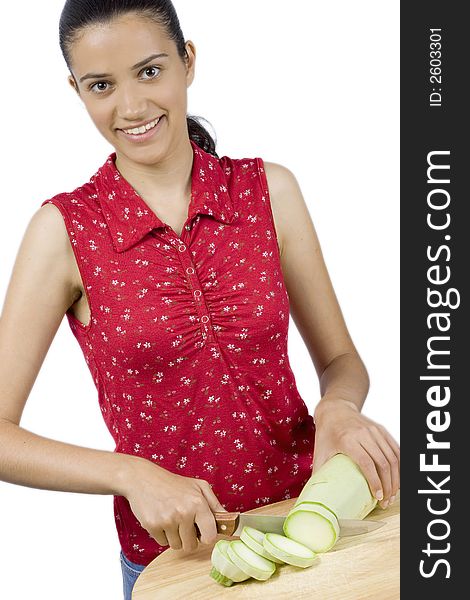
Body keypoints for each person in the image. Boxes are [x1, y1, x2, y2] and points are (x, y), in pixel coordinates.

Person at [0, 1, 400, 598]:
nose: (131, 107)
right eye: (102, 85)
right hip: (175, 568)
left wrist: (337, 409)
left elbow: (341, 361)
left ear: (188, 62)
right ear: (75, 90)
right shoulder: (63, 231)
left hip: (313, 528)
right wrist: (128, 474)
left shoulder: (270, 191)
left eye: (151, 70)